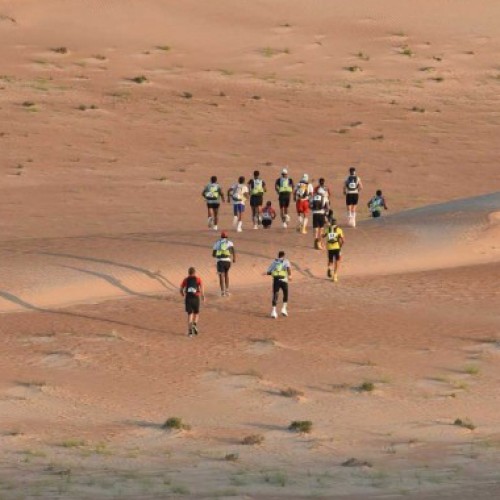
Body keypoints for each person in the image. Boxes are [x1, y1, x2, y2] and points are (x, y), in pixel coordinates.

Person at [180, 267, 205, 336]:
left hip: (188, 298)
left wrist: (182, 294)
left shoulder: (185, 280)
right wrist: (203, 296)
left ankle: (190, 331)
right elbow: (202, 287)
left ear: (188, 273)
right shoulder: (198, 279)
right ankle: (194, 324)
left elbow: (181, 289)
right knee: (196, 313)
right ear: (194, 272)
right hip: (196, 298)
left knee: (190, 314)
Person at [266, 250, 292, 318]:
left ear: (278, 255)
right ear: (283, 256)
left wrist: (270, 273)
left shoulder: (274, 262)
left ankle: (273, 311)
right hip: (284, 280)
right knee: (285, 294)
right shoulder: (286, 261)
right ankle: (284, 309)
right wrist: (290, 276)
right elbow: (288, 268)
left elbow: (268, 272)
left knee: (275, 295)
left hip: (276, 280)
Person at [212, 231, 236, 296]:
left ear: (221, 236)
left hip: (220, 261)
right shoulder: (230, 242)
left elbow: (213, 254)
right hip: (228, 261)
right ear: (226, 237)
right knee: (226, 275)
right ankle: (227, 291)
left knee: (221, 276)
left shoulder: (217, 243)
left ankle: (222, 292)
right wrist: (234, 258)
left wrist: (218, 254)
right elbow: (233, 250)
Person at [322, 216, 344, 282]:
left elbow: (323, 236)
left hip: (329, 248)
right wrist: (341, 246)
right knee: (337, 260)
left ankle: (329, 268)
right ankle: (335, 275)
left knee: (330, 260)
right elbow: (343, 240)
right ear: (336, 223)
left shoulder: (328, 229)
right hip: (337, 247)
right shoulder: (339, 230)